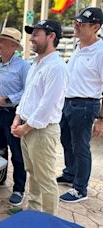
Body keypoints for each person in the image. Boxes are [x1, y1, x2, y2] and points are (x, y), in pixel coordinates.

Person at [11, 19, 68, 215]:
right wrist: (18, 118)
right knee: (33, 174)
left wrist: (24, 128)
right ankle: (33, 213)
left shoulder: (57, 67)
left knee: (45, 180)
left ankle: (49, 221)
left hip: (42, 131)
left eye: (36, 34)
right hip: (28, 127)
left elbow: (47, 105)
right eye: (31, 33)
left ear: (51, 36)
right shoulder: (36, 63)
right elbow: (28, 96)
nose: (31, 38)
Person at [57, 7, 103, 203]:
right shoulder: (79, 45)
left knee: (81, 148)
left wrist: (101, 119)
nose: (76, 26)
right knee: (66, 141)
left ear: (95, 27)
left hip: (85, 105)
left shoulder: (100, 52)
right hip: (68, 102)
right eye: (76, 22)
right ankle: (70, 173)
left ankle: (80, 189)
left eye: (81, 24)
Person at [0, 27, 30, 206]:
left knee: (17, 154)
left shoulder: (24, 66)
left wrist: (7, 99)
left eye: (1, 41)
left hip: (13, 114)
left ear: (13, 46)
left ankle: (19, 188)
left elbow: (28, 91)